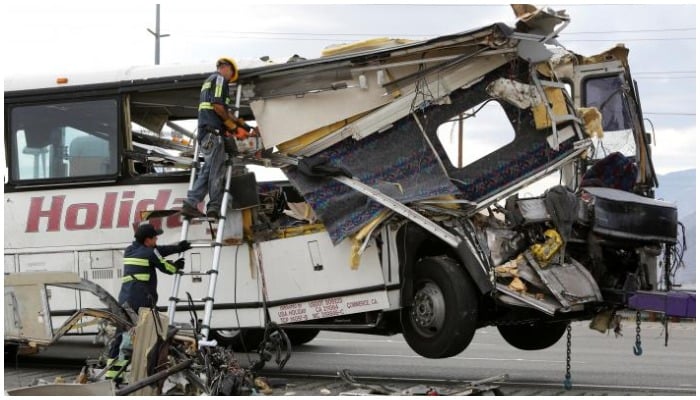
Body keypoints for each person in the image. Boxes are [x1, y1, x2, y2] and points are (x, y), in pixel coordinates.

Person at [180, 57, 256, 220]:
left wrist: (244, 126)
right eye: (231, 75)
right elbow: (218, 107)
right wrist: (234, 128)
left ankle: (191, 203)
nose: (230, 78)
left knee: (208, 170)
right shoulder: (220, 79)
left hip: (207, 134)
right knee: (216, 171)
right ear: (226, 68)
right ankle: (213, 206)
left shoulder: (209, 81)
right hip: (212, 135)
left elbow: (222, 112)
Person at [108, 223, 191, 361]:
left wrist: (177, 248)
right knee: (146, 338)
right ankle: (147, 367)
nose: (156, 241)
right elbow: (167, 268)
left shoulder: (129, 250)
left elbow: (157, 251)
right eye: (155, 238)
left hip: (124, 301)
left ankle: (113, 373)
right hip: (142, 303)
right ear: (147, 240)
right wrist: (177, 266)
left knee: (121, 334)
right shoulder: (149, 253)